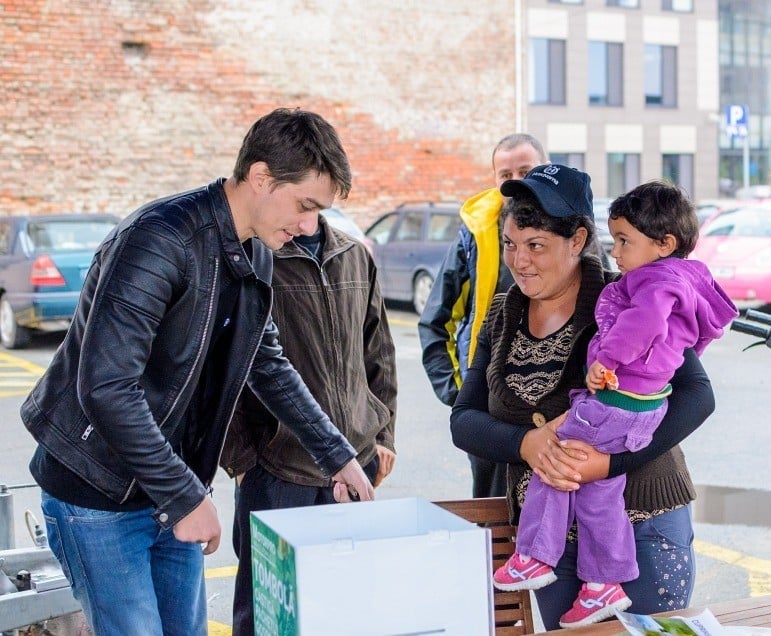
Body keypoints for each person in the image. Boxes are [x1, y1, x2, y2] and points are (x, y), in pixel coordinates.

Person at [21, 108, 375, 635]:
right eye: (304, 206)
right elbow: (106, 386)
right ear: (259, 177)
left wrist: (336, 453)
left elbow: (265, 361)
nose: (308, 227)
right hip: (96, 492)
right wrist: (185, 496)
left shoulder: (259, 248)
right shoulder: (159, 240)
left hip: (170, 487)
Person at [450, 164, 717, 630]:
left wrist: (607, 466)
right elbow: (464, 419)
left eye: (536, 246)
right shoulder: (501, 312)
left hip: (642, 527)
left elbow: (697, 396)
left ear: (576, 241)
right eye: (511, 244)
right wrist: (525, 445)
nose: (520, 261)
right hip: (547, 548)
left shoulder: (629, 300)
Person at [220, 209, 398, 636]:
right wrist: (243, 462)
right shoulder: (255, 259)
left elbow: (379, 354)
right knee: (265, 614)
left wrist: (383, 435)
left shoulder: (356, 255)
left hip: (355, 464)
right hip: (278, 471)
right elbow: (226, 368)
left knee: (345, 606)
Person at [419, 133, 547, 498]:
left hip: (556, 406)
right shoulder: (474, 235)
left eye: (527, 170)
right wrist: (459, 394)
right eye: (505, 174)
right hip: (490, 405)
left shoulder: (571, 227)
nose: (516, 182)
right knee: (494, 514)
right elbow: (435, 319)